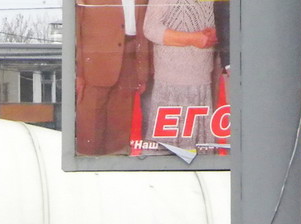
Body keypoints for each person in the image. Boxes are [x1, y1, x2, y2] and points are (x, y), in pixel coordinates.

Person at [75, 0, 152, 156]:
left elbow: (144, 31)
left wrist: (142, 71)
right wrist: (79, 72)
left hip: (130, 59)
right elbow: (76, 29)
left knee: (120, 131)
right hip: (95, 63)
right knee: (91, 131)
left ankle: (116, 167)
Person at [143, 0, 218, 152]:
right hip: (172, 77)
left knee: (199, 153)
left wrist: (215, 33)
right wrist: (192, 38)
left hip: (202, 76)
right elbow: (150, 28)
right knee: (167, 151)